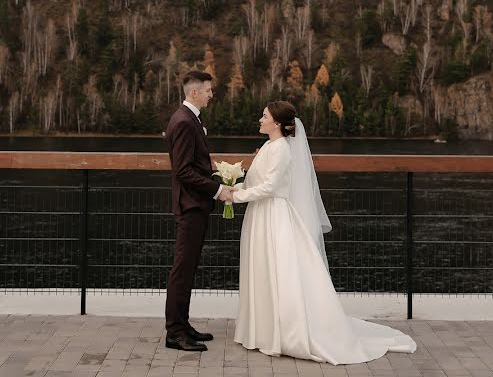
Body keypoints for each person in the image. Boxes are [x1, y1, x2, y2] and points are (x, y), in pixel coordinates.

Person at [231, 101, 417, 364]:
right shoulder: (268, 148)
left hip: (274, 215)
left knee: (279, 271)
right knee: (262, 270)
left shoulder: (282, 149)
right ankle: (262, 331)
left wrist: (237, 197)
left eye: (264, 116)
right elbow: (255, 182)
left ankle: (284, 332)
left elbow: (271, 187)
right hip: (260, 215)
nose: (259, 119)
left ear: (277, 123)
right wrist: (234, 186)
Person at [164, 70, 235, 351]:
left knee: (189, 267)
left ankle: (183, 325)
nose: (211, 94)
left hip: (196, 203)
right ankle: (175, 333)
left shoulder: (191, 118)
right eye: (207, 90)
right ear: (194, 92)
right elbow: (182, 171)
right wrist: (217, 190)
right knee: (182, 270)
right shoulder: (183, 121)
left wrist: (217, 170)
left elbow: (194, 163)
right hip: (190, 204)